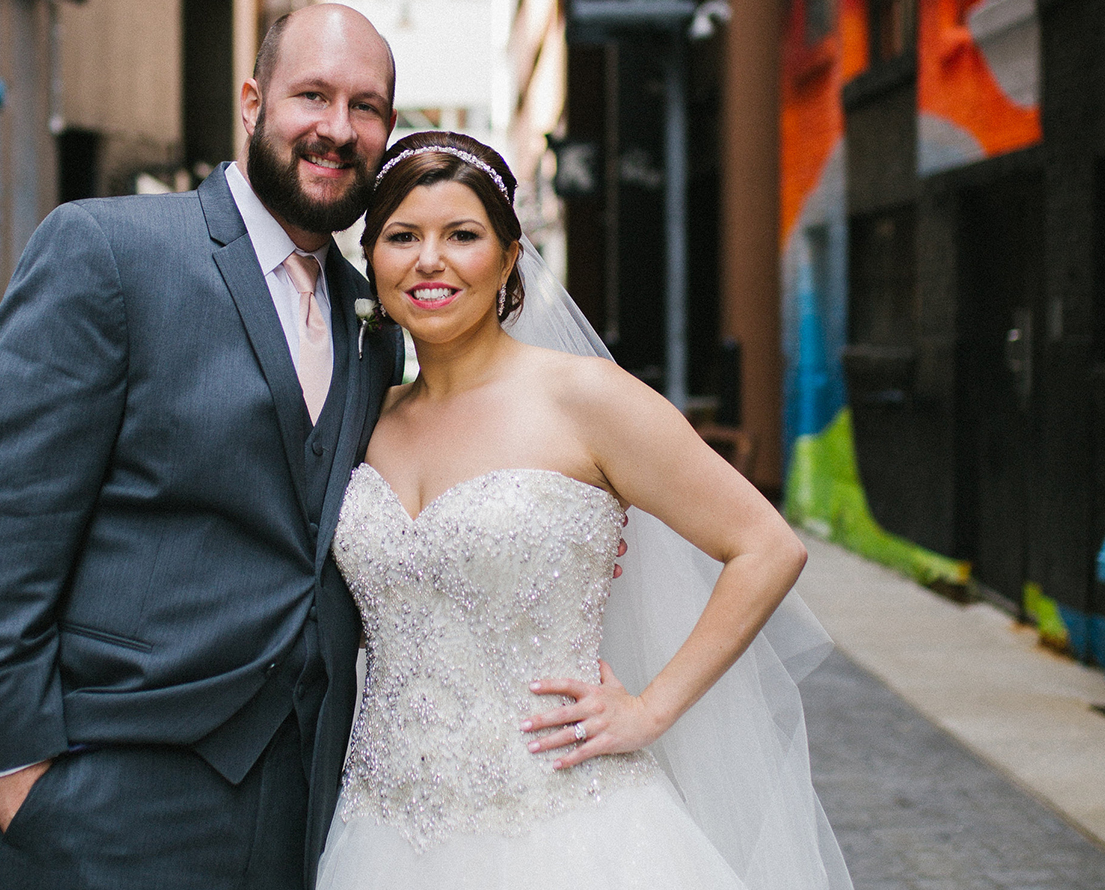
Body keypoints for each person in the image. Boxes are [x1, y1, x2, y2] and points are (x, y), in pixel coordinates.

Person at [0, 5, 403, 890]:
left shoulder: (376, 320)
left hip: (306, 805)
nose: (338, 129)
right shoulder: (108, 250)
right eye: (314, 96)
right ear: (253, 102)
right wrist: (21, 778)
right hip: (111, 792)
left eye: (365, 107)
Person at [315, 132, 853, 888]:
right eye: (403, 237)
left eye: (462, 235)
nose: (429, 260)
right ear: (373, 259)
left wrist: (651, 710)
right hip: (380, 825)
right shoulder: (365, 417)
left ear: (507, 258)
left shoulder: (584, 398)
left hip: (565, 825)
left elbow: (766, 546)